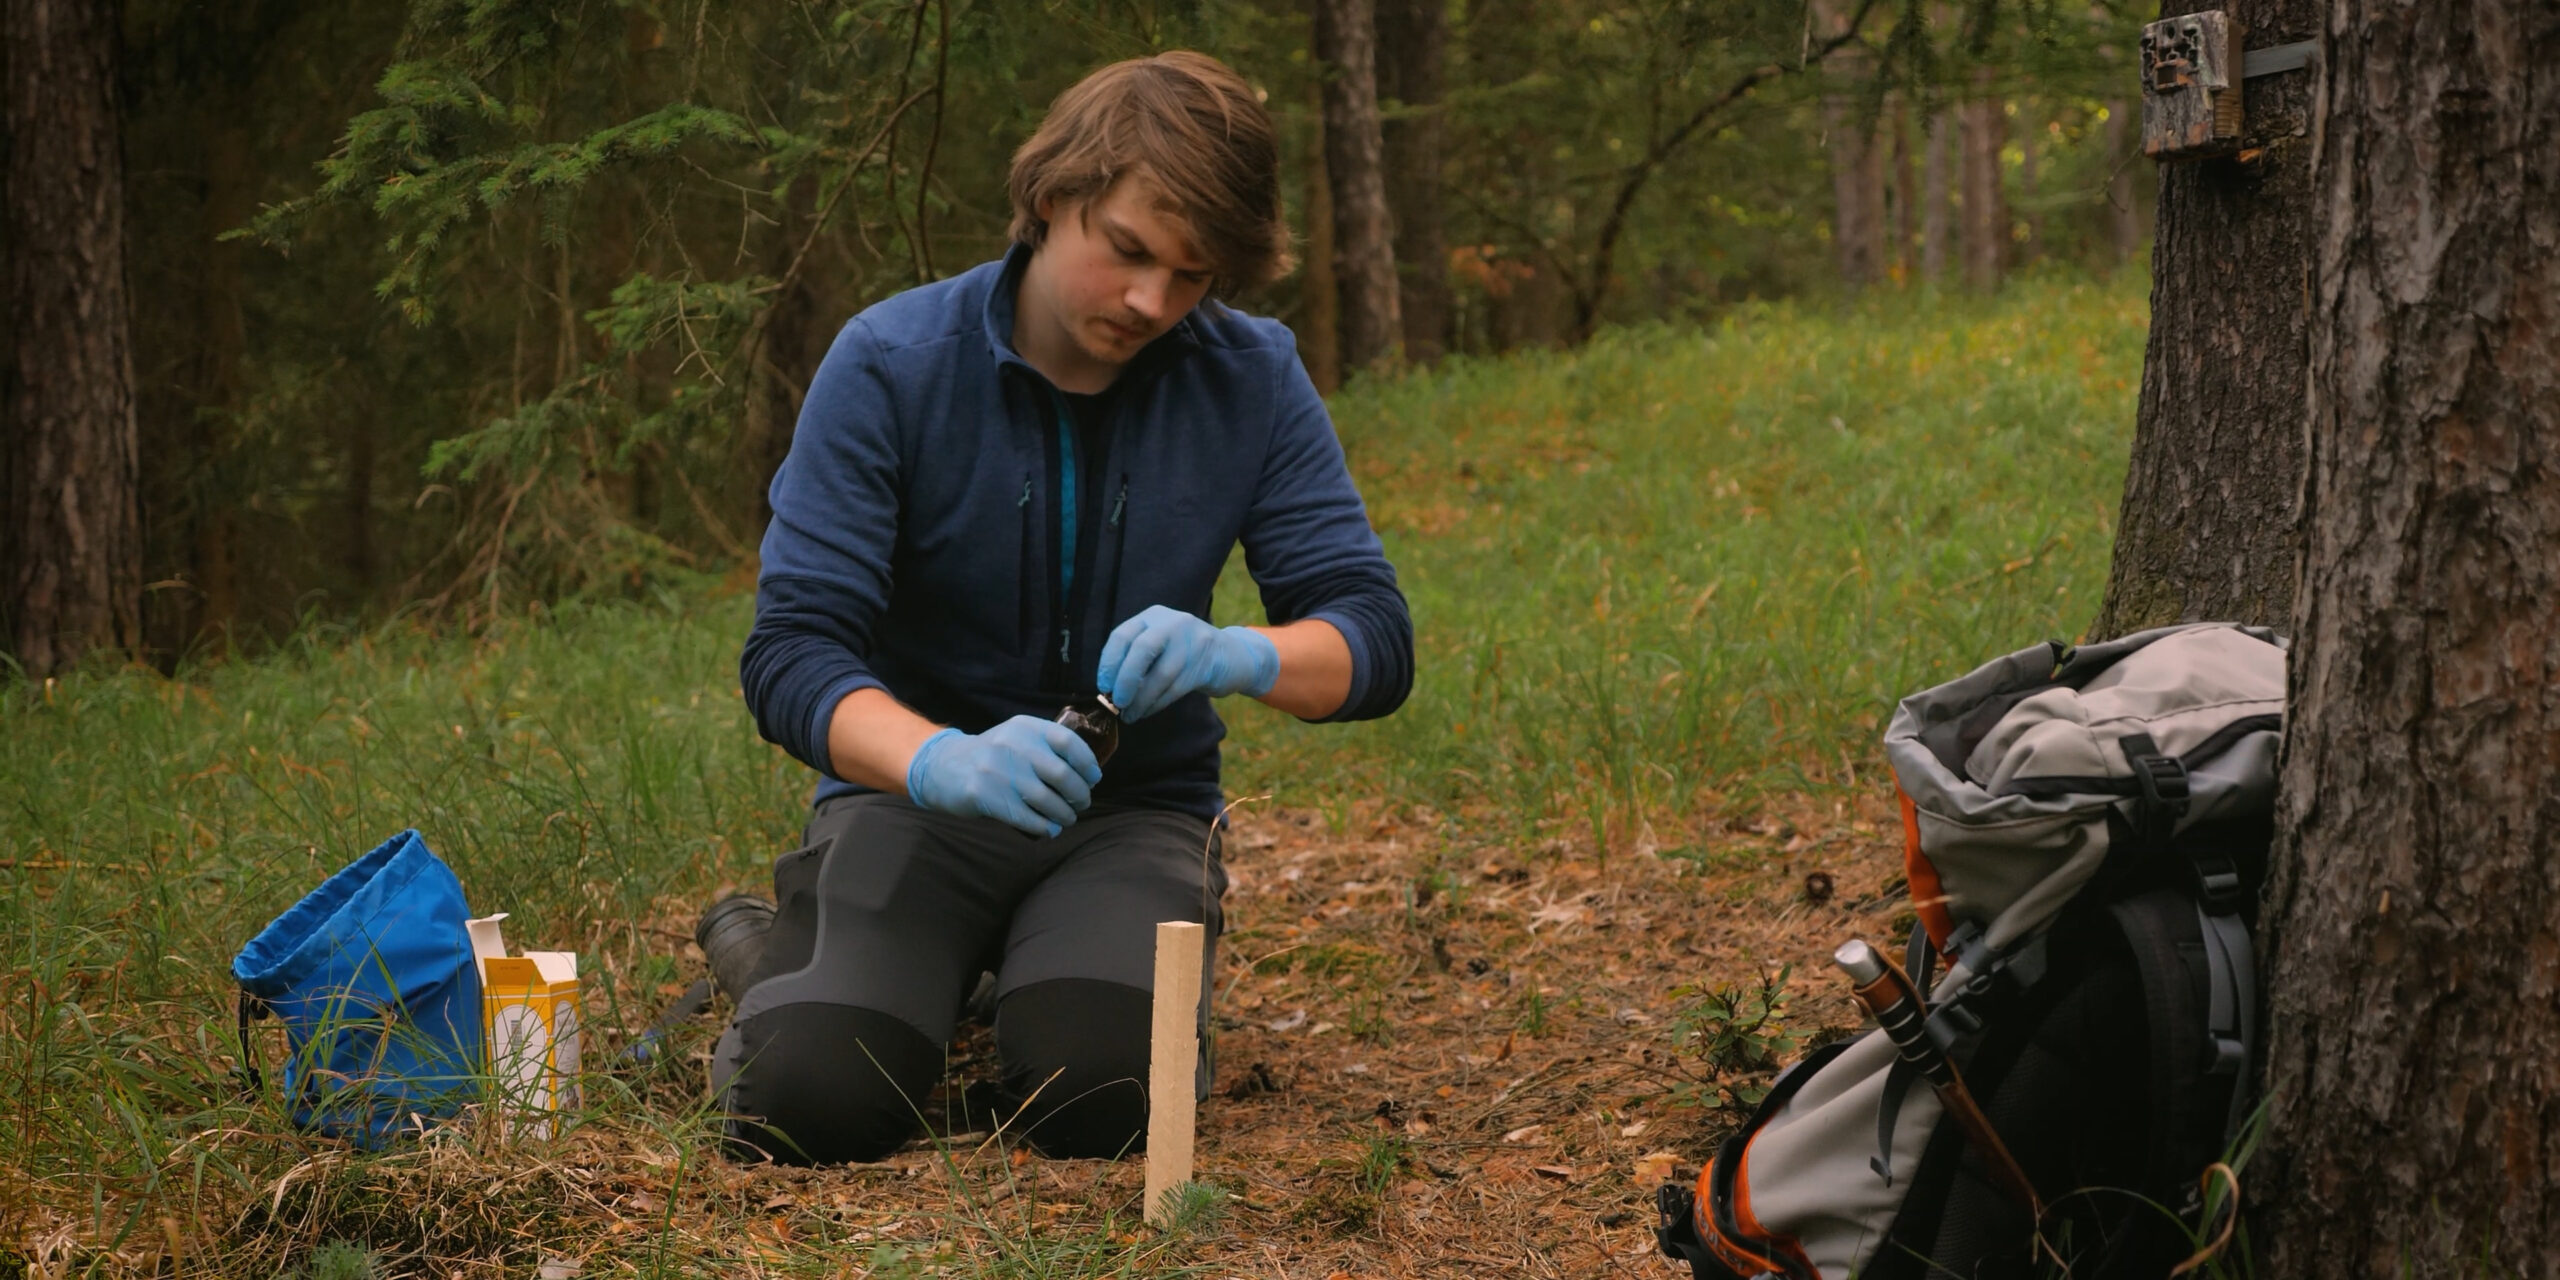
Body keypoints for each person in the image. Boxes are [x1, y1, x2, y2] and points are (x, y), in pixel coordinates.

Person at [713, 50, 1414, 1165]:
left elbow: (1371, 641)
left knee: (1100, 1096)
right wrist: (940, 758)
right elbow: (792, 656)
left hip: (1133, 815)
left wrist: (1237, 652)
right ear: (1050, 197)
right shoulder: (892, 364)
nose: (1152, 303)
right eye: (1128, 252)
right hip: (912, 803)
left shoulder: (1251, 375)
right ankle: (789, 956)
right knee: (804, 1099)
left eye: (1192, 277)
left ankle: (1010, 972)